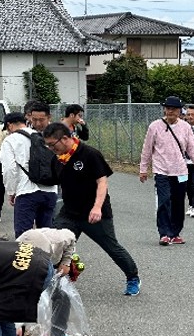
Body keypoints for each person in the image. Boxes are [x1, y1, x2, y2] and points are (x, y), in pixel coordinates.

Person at [43, 122, 141, 296]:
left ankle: (133, 278)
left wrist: (97, 208)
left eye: (52, 144)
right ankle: (55, 281)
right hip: (69, 212)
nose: (51, 148)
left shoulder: (89, 154)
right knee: (56, 245)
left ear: (65, 138)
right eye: (48, 145)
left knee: (111, 247)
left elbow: (102, 182)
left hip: (94, 212)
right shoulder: (57, 159)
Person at [139, 96, 194, 244]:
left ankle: (175, 233)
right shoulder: (154, 126)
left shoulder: (185, 127)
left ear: (179, 111)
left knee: (178, 202)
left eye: (173, 109)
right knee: (164, 200)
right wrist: (143, 169)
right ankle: (164, 233)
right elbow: (147, 149)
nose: (170, 111)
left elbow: (193, 149)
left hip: (180, 171)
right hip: (161, 170)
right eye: (168, 109)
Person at [17, 227, 78, 336]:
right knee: (21, 297)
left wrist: (66, 262)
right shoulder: (17, 251)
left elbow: (71, 237)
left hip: (49, 264)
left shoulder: (60, 239)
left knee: (61, 295)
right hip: (25, 270)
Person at [1, 111, 58, 237]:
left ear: (9, 125)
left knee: (24, 237)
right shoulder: (43, 137)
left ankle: (27, 257)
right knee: (47, 236)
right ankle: (47, 257)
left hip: (27, 192)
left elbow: (9, 169)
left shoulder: (10, 140)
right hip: (50, 191)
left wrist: (11, 191)